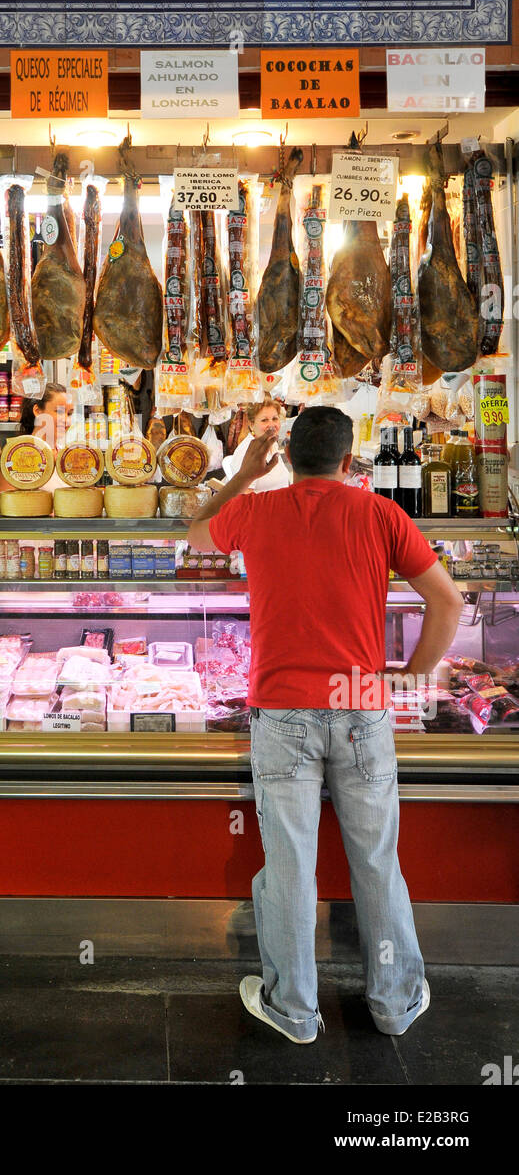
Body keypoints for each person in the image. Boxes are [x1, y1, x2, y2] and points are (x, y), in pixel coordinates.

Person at [187, 406, 463, 1043]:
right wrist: (413, 675)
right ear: (348, 462)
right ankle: (394, 1003)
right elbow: (447, 599)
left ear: (288, 456)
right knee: (376, 860)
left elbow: (194, 530)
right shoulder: (380, 513)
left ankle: (293, 1008)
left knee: (288, 864)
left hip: (280, 710)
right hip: (361, 702)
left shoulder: (255, 511)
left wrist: (244, 475)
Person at [220, 398, 290, 493]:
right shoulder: (248, 452)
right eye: (264, 420)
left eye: (275, 419)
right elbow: (245, 496)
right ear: (252, 424)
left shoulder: (272, 444)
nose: (271, 424)